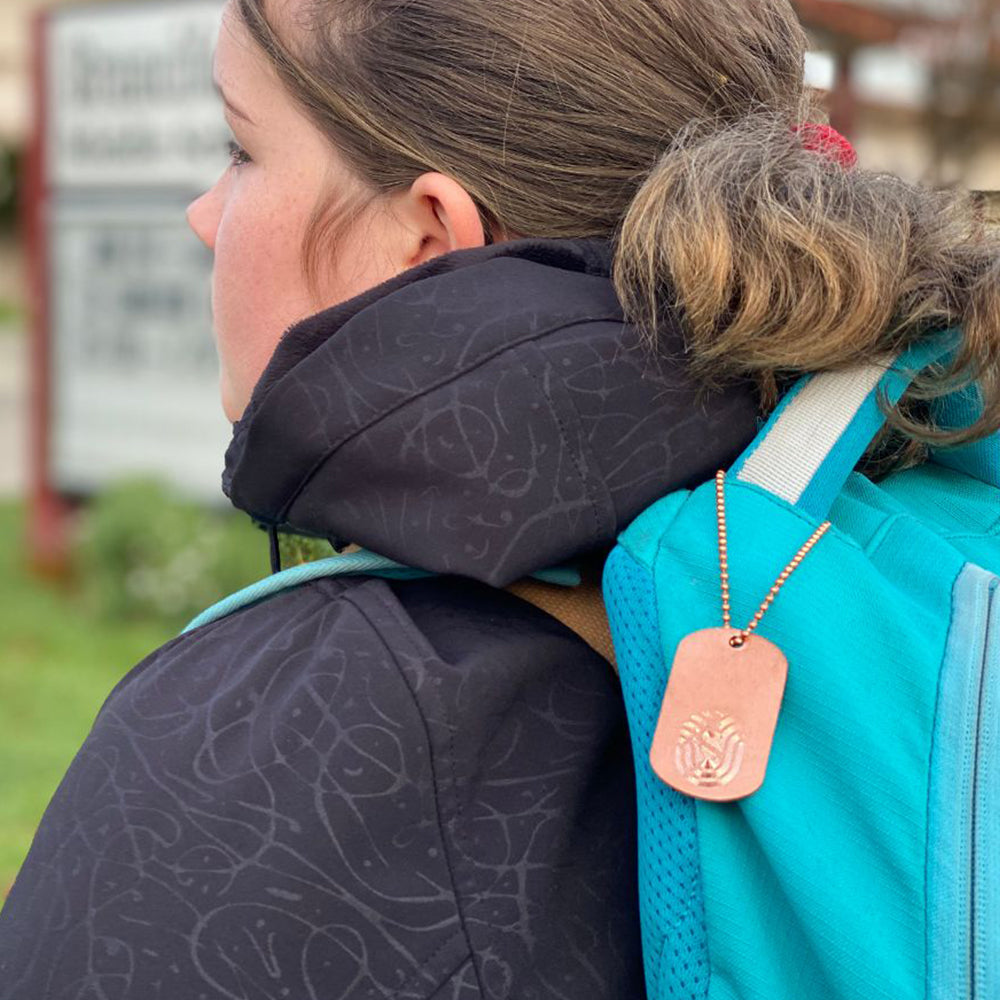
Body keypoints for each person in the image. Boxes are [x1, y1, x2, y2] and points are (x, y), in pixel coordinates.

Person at [2, 0, 998, 997]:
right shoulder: (893, 530)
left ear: (430, 235)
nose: (201, 214)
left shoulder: (256, 753)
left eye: (240, 147)